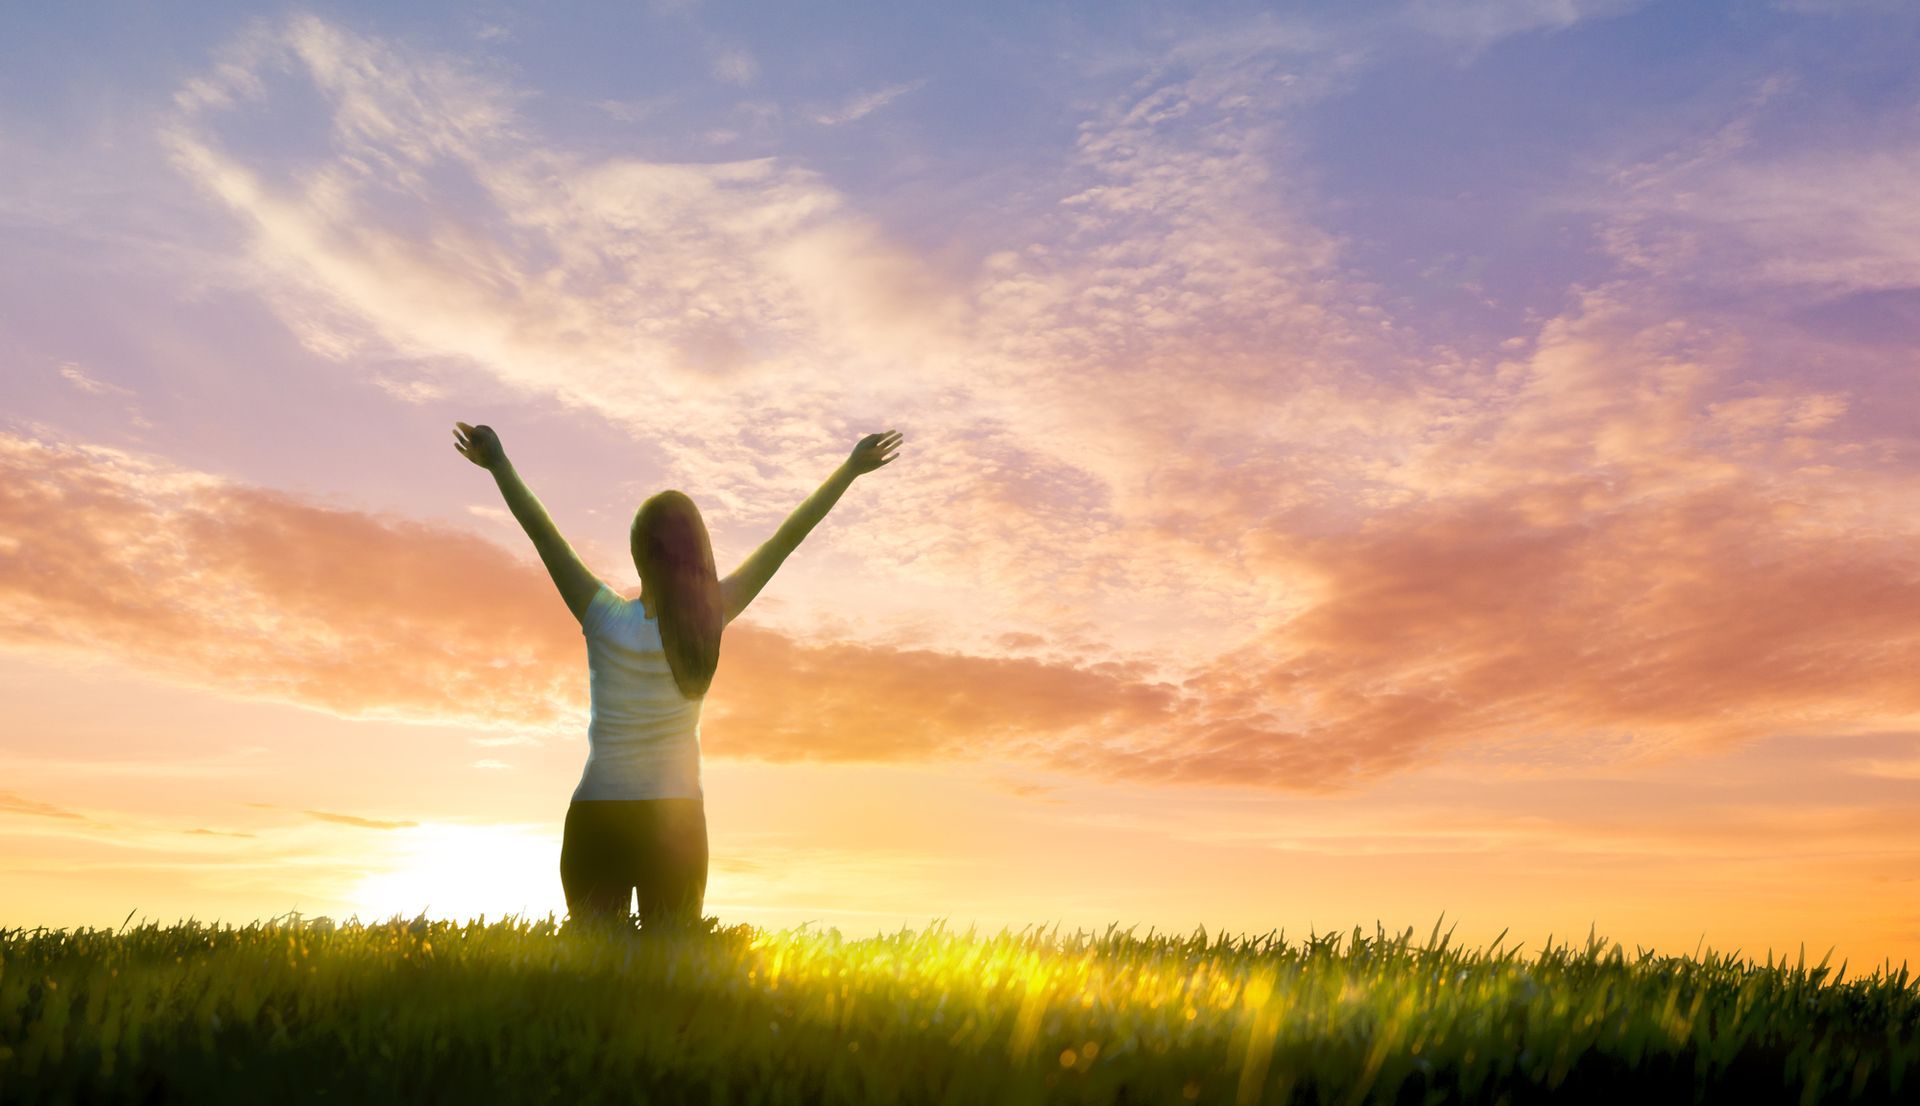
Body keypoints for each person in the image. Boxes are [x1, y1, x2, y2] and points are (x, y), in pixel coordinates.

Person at [452, 420, 903, 931]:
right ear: (697, 554)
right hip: (677, 822)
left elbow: (542, 533)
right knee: (670, 979)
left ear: (638, 553)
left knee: (593, 978)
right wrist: (848, 471)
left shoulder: (603, 617)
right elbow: (787, 539)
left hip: (599, 815)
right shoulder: (710, 617)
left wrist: (499, 465)